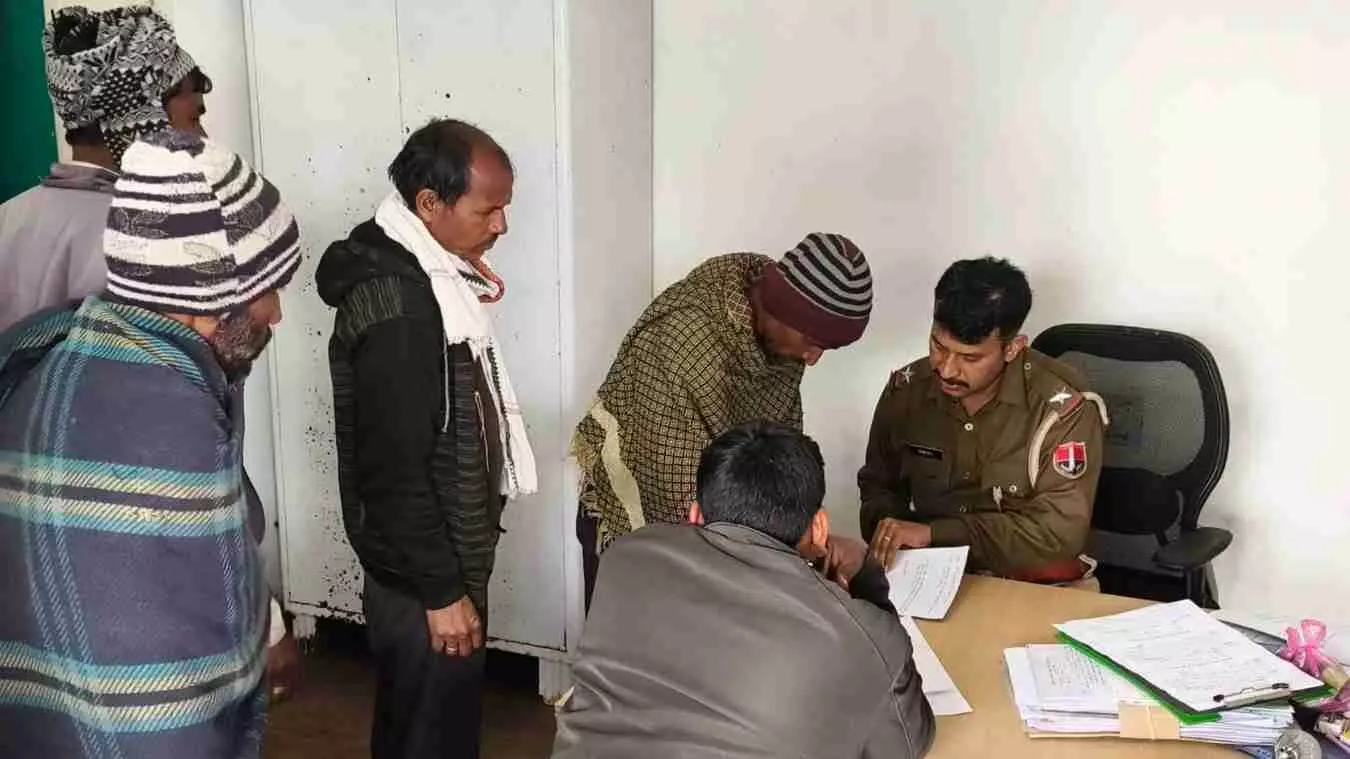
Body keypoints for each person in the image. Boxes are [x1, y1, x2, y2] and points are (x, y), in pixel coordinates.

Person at [0, 130, 300, 758]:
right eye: (268, 290)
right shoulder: (173, 420)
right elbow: (185, 651)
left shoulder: (59, 353)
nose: (276, 313)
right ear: (212, 300)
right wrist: (263, 638)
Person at [316, 118, 537, 759]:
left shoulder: (428, 279)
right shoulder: (403, 310)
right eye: (488, 210)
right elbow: (393, 472)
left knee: (420, 728)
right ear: (430, 204)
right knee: (431, 738)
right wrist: (442, 593)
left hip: (428, 566)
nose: (502, 226)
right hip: (421, 580)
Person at [553, 422, 935, 758]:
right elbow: (905, 747)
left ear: (696, 514)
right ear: (819, 529)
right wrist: (867, 579)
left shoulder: (626, 557)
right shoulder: (867, 636)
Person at [573, 232, 874, 604]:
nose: (813, 359)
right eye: (813, 342)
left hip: (720, 532)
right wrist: (792, 548)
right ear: (783, 308)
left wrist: (802, 534)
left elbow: (776, 457)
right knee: (637, 633)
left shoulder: (778, 343)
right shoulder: (683, 341)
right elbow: (679, 496)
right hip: (638, 523)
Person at [858, 257, 1109, 585]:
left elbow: (1058, 534)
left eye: (970, 357)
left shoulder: (1062, 409)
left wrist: (935, 534)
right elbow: (878, 486)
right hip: (927, 576)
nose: (946, 369)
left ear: (1013, 348)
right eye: (938, 346)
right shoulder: (907, 390)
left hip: (1039, 583)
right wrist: (891, 532)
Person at [0, 5, 213, 331]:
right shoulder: (146, 241)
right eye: (194, 118)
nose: (203, 138)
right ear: (139, 121)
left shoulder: (7, 218)